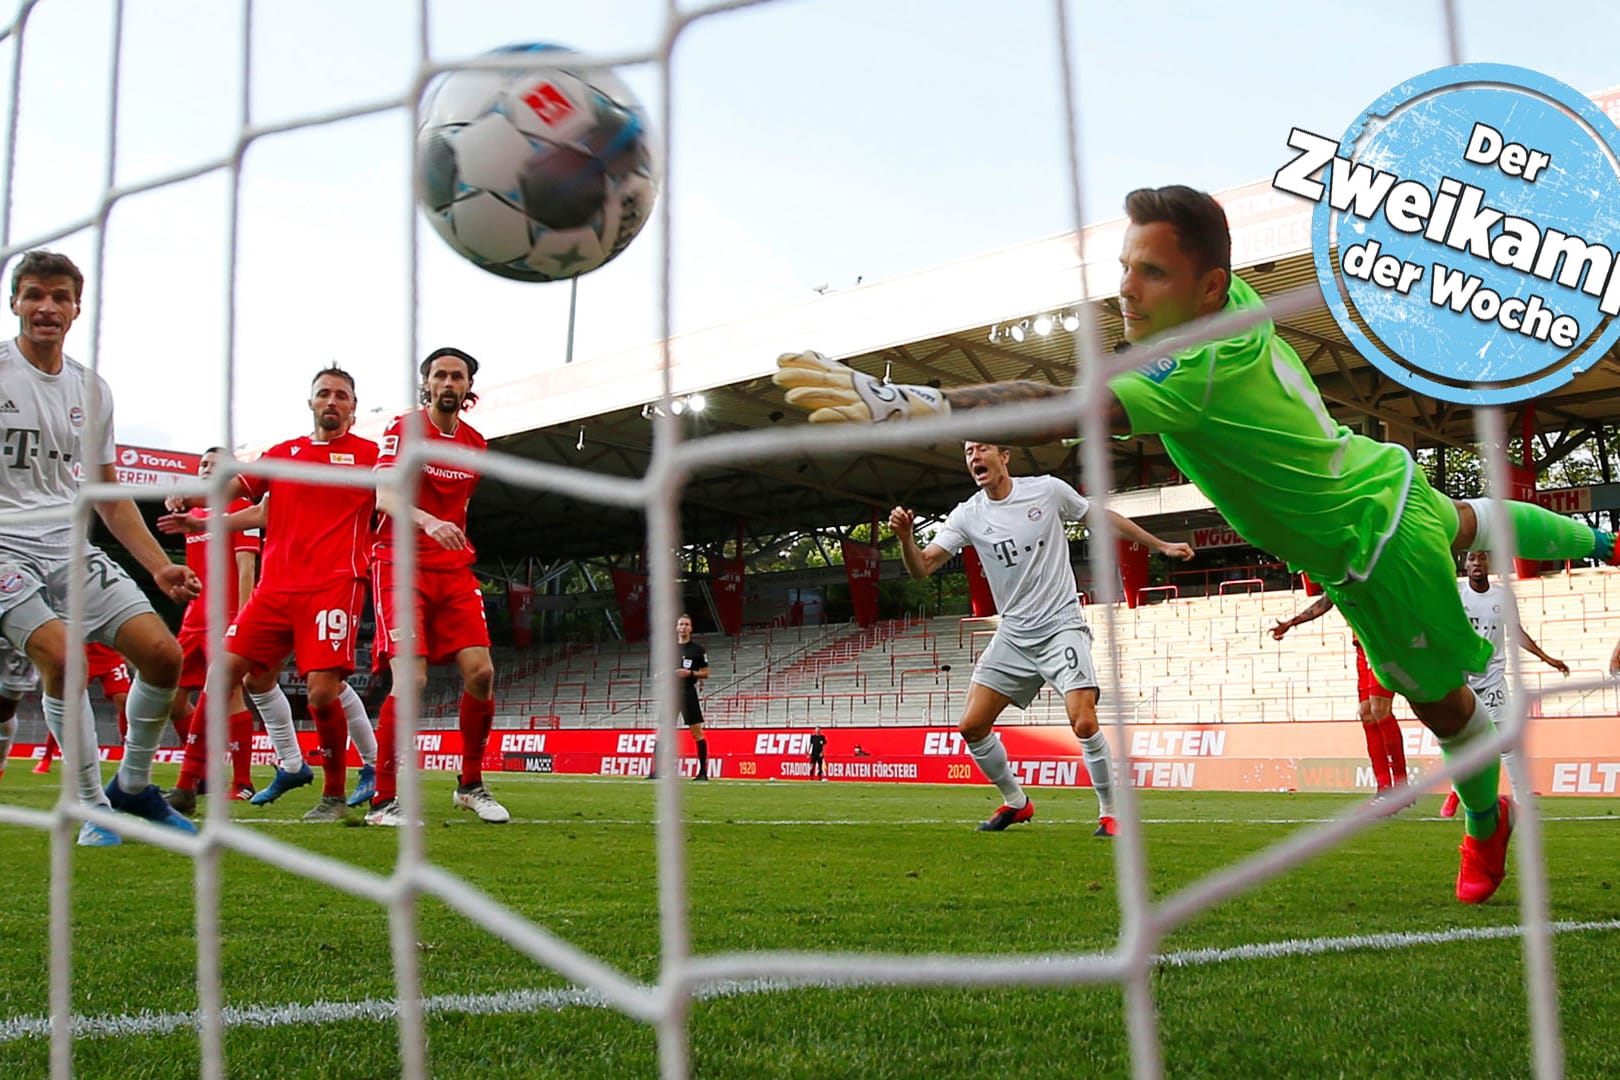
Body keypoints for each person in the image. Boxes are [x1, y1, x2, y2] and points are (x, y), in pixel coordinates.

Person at [774, 186, 1620, 903]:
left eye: (1152, 273)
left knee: (1439, 701)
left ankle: (1484, 819)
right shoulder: (1237, 307)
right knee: (1468, 517)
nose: (1128, 291)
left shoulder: (1192, 373)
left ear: (1207, 286)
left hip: (1373, 547)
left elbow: (1061, 405)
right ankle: (1599, 534)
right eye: (1125, 268)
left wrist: (917, 406)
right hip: (1370, 477)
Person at [891, 441, 1194, 834]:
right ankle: (1016, 803)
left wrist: (1160, 544)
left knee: (1083, 722)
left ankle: (1111, 812)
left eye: (982, 449)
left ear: (1004, 456)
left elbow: (1098, 516)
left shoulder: (1047, 490)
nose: (974, 458)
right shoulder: (967, 515)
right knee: (972, 726)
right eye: (968, 452)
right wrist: (904, 540)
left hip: (1060, 625)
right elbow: (922, 568)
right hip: (1014, 634)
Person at [0, 250, 199, 841]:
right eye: (34, 294)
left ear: (76, 308)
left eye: (60, 297)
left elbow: (109, 495)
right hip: (4, 547)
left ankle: (132, 787)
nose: (46, 307)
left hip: (69, 546)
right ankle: (91, 808)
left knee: (165, 656)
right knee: (64, 657)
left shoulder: (92, 388)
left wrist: (161, 568)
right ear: (14, 303)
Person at [161, 366, 377, 821]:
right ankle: (184, 787)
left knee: (322, 692)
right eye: (324, 394)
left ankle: (334, 796)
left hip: (333, 586)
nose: (332, 401)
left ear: (354, 408)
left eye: (342, 395)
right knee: (225, 672)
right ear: (312, 402)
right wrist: (196, 506)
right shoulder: (283, 455)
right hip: (275, 589)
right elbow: (253, 503)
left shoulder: (371, 458)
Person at [363, 347, 504, 826]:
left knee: (481, 673)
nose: (448, 383)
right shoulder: (403, 430)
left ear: (467, 388)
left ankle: (470, 785)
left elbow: (459, 505)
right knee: (413, 679)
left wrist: (447, 533)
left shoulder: (476, 444)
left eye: (457, 377)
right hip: (399, 564)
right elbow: (384, 497)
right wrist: (426, 521)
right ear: (426, 383)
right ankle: (382, 801)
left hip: (452, 569)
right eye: (439, 375)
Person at [165, 446, 264, 800]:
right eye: (203, 464)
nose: (207, 469)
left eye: (216, 465)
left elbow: (246, 569)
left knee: (232, 695)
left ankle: (242, 781)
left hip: (225, 619)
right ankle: (204, 769)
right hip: (194, 619)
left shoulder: (238, 509)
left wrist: (240, 620)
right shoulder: (192, 512)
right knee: (172, 699)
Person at [1438, 551, 1568, 818]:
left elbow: (1516, 631)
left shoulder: (1502, 596)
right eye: (1472, 559)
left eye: (1482, 559)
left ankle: (1521, 798)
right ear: (1466, 564)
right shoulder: (1457, 595)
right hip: (1462, 679)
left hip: (1494, 678)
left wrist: (1546, 657)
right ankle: (1455, 792)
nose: (1477, 564)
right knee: (1465, 743)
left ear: (1490, 564)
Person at [1272, 596, 1408, 800]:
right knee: (1366, 713)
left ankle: (1400, 785)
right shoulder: (1338, 578)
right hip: (1363, 650)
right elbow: (1325, 602)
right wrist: (1292, 622)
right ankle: (1384, 786)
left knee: (1379, 709)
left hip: (1383, 645)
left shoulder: (1368, 571)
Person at [33, 642, 134, 773]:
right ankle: (46, 758)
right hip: (83, 657)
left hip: (111, 658)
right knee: (67, 707)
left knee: (125, 702)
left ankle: (130, 758)